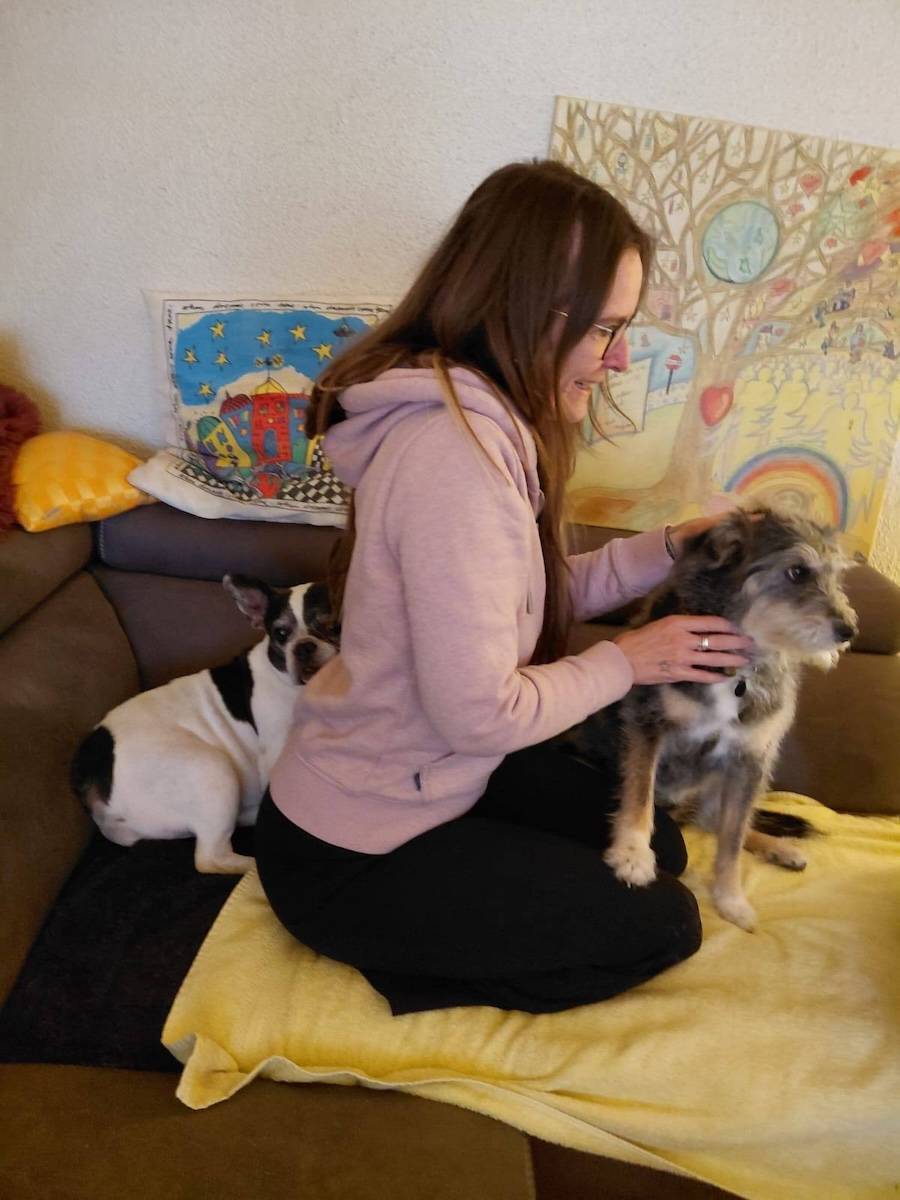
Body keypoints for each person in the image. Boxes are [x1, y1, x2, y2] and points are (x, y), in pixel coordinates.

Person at [254, 160, 754, 1017]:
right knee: (665, 924)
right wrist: (630, 660)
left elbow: (526, 597)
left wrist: (670, 547)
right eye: (606, 329)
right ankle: (408, 975)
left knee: (657, 847)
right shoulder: (457, 460)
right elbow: (480, 714)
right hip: (352, 853)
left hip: (436, 784)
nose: (619, 358)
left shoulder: (478, 427)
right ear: (525, 309)